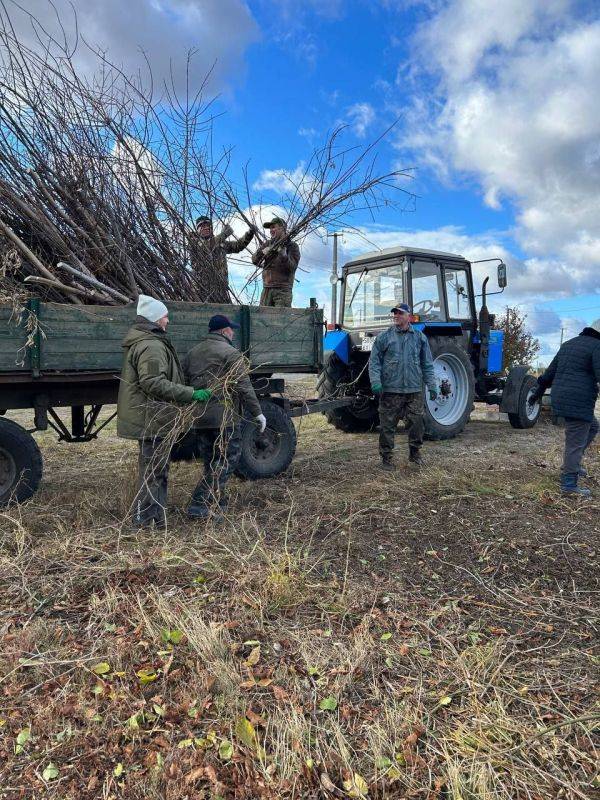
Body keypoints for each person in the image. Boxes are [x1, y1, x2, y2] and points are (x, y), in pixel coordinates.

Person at [117, 295, 211, 527]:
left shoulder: (148, 342)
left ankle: (155, 519)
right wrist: (191, 393)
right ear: (155, 319)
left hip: (154, 418)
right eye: (165, 316)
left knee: (156, 469)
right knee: (153, 471)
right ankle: (145, 521)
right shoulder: (151, 346)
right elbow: (152, 382)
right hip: (152, 419)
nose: (167, 320)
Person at [183, 313, 266, 519]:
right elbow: (244, 386)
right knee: (229, 458)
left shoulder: (192, 353)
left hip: (200, 417)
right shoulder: (230, 353)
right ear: (223, 331)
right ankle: (199, 504)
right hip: (224, 418)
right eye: (231, 329)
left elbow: (183, 382)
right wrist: (258, 413)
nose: (233, 332)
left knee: (211, 461)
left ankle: (217, 500)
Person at [529, 318, 600, 497]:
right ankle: (569, 484)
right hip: (579, 399)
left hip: (560, 396)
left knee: (592, 426)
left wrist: (537, 394)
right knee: (575, 442)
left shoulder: (569, 344)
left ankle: (572, 465)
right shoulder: (597, 345)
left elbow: (548, 374)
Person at [368, 303, 438, 470]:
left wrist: (432, 385)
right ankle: (386, 459)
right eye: (395, 313)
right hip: (391, 389)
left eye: (400, 313)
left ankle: (415, 454)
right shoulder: (384, 337)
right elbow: (374, 362)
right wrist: (375, 381)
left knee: (417, 423)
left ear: (408, 316)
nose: (396, 316)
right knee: (387, 425)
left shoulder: (420, 338)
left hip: (414, 389)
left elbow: (427, 364)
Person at [190, 215, 256, 303]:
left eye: (208, 225)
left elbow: (237, 246)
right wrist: (224, 234)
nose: (206, 228)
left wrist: (250, 233)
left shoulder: (219, 242)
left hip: (221, 289)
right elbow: (206, 247)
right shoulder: (194, 243)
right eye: (202, 226)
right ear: (197, 229)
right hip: (202, 291)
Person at [251, 216, 300, 307]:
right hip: (266, 289)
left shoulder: (292, 246)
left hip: (283, 290)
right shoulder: (268, 244)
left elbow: (293, 267)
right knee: (263, 319)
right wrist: (263, 252)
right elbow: (254, 260)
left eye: (273, 227)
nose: (271, 230)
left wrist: (284, 256)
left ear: (282, 228)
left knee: (280, 319)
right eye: (270, 228)